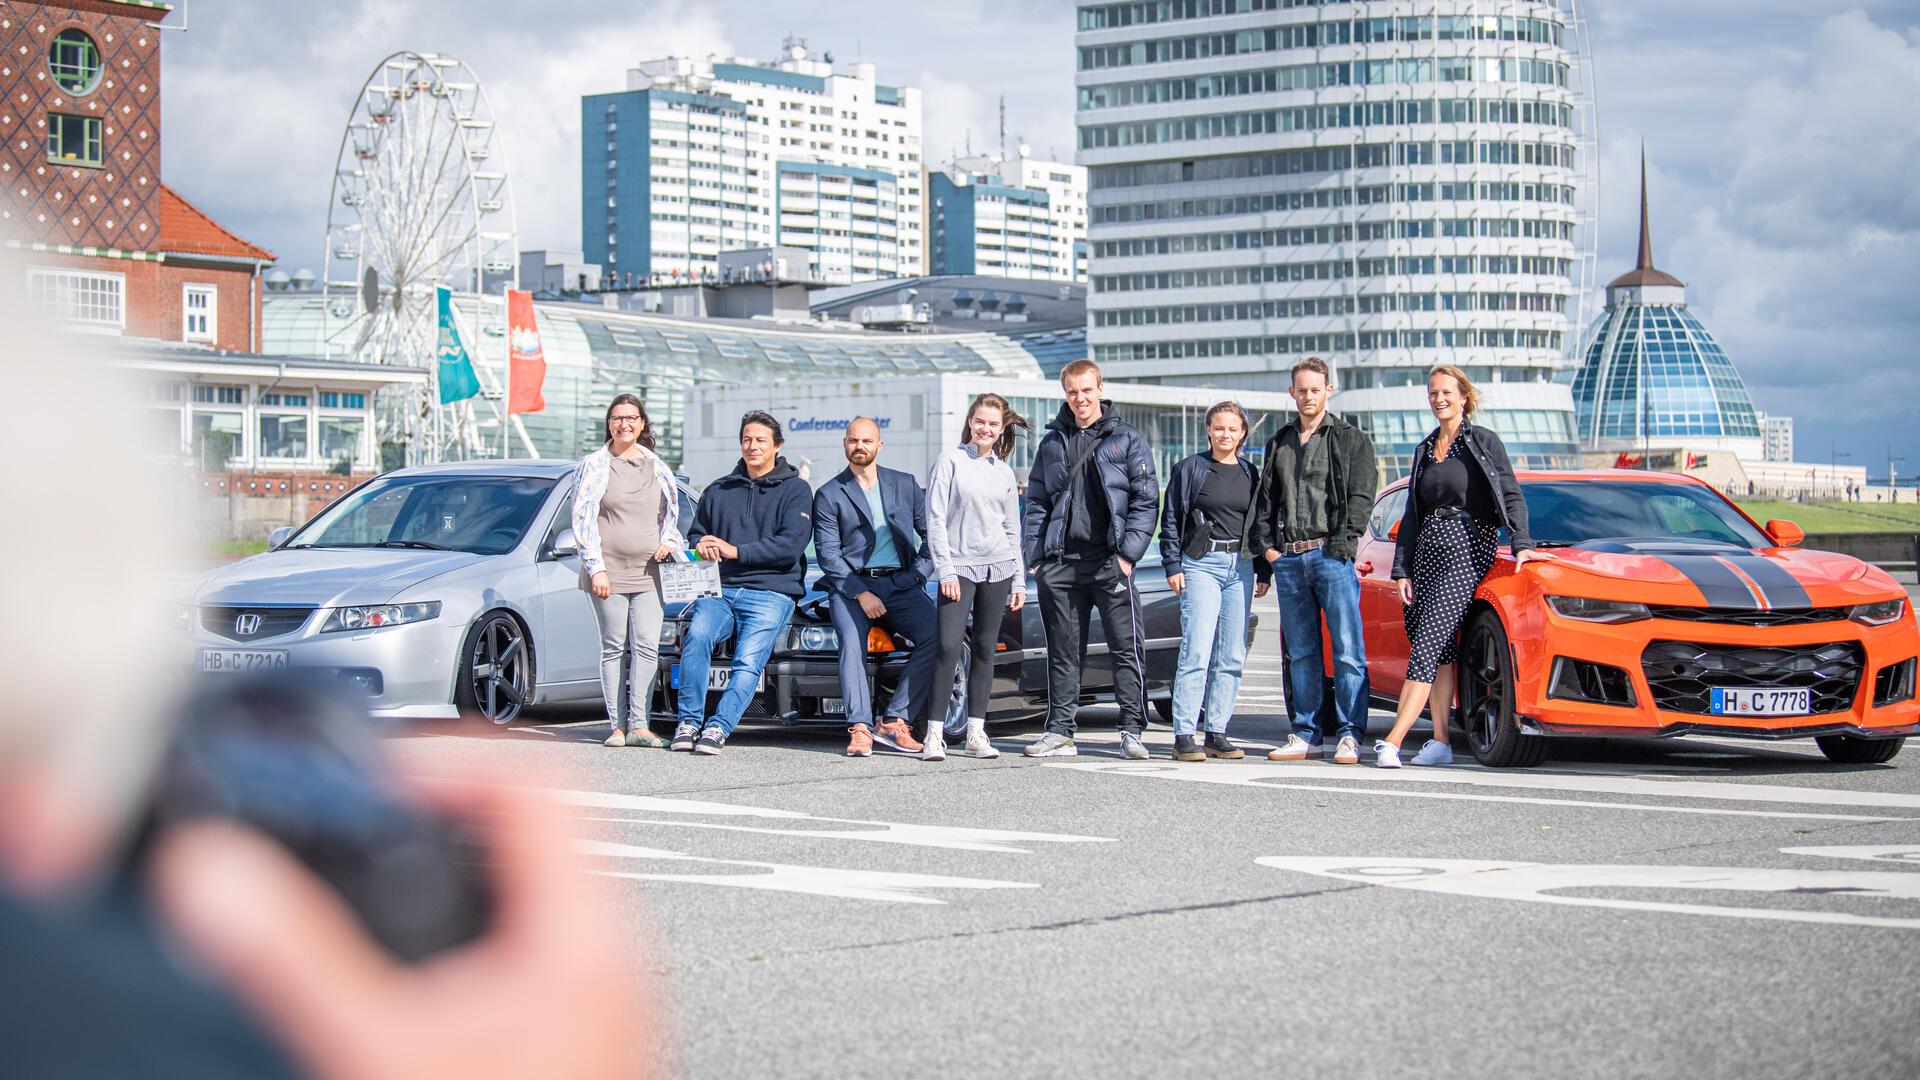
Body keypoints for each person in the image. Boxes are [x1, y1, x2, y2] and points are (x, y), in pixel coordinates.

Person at [1378, 365, 1545, 768]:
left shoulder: (1483, 442)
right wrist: (1402, 569)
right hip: (1426, 553)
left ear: (1464, 396)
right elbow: (1413, 515)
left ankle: (1394, 741)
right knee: (1439, 654)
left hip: (1466, 550)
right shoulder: (1425, 448)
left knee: (1426, 646)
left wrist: (1521, 542)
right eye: (1432, 393)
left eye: (1446, 392)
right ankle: (1439, 742)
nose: (1439, 399)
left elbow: (1511, 493)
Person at [1021, 359, 1159, 760]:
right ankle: (1060, 731)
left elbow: (1145, 500)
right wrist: (1038, 558)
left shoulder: (1127, 439)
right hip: (1061, 564)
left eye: (1086, 390)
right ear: (1065, 393)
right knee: (1064, 652)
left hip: (1108, 561)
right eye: (1072, 392)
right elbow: (1037, 501)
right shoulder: (1052, 442)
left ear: (1099, 388)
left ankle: (1131, 729)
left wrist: (1127, 556)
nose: (1080, 398)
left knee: (1125, 648)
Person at [1251, 357, 1378, 765]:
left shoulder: (1350, 439)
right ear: (1292, 393)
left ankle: (1349, 733)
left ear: (1329, 391)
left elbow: (1361, 495)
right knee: (1301, 653)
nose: (1308, 396)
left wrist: (1344, 545)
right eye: (1301, 389)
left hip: (1330, 556)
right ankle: (1306, 733)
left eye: (1315, 389)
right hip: (1289, 559)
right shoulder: (1280, 441)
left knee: (1346, 649)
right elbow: (1266, 501)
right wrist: (1267, 551)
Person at [675, 411, 813, 755]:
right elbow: (695, 533)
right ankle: (689, 722)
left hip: (771, 592)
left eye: (761, 441)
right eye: (747, 440)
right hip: (719, 590)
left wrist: (735, 551)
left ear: (777, 446)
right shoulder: (718, 490)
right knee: (697, 637)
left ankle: (718, 727)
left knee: (748, 660)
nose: (753, 447)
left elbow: (790, 546)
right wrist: (699, 544)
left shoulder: (796, 491)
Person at [813, 418, 936, 758]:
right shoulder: (829, 493)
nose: (859, 446)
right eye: (853, 440)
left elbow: (932, 538)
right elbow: (828, 555)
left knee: (937, 636)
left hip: (900, 581)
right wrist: (860, 592)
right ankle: (861, 727)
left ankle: (896, 720)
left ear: (879, 445)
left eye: (867, 440)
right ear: (845, 444)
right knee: (851, 644)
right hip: (852, 585)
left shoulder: (905, 485)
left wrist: (918, 575)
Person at [1159, 402, 1272, 762]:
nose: (1226, 435)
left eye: (1233, 429)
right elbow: (1172, 519)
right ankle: (1183, 735)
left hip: (1240, 565)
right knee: (1197, 649)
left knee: (1232, 653)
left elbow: (1261, 525)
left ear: (1243, 434)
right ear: (1208, 430)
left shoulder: (1250, 473)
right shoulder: (1191, 469)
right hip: (1200, 564)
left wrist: (1264, 572)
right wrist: (1172, 565)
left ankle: (1217, 731)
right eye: (1219, 428)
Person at [924, 393, 1030, 761]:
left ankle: (976, 733)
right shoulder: (949, 461)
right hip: (959, 567)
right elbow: (935, 519)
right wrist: (946, 570)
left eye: (993, 424)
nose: (986, 429)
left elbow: (1013, 529)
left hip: (998, 567)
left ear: (1002, 429)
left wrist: (1018, 580)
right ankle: (934, 734)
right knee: (948, 646)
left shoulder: (1003, 470)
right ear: (970, 421)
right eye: (980, 421)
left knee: (986, 648)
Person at [572, 393, 682, 749]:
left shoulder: (656, 465)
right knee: (614, 647)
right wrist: (595, 568)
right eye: (617, 418)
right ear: (609, 424)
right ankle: (616, 726)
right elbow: (582, 517)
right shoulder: (594, 464)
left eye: (631, 418)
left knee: (648, 646)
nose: (624, 424)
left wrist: (668, 540)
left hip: (649, 571)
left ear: (642, 423)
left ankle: (640, 724)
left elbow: (670, 514)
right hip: (609, 571)